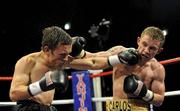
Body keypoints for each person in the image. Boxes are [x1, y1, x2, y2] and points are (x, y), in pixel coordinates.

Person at [69, 26, 166, 111]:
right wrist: (79, 52)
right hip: (115, 107)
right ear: (138, 40)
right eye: (144, 44)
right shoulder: (120, 52)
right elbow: (94, 58)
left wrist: (145, 93)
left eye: (152, 48)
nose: (146, 50)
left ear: (159, 51)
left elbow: (159, 100)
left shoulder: (157, 69)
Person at [9, 26, 86, 111]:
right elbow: (14, 94)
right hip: (28, 108)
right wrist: (41, 86)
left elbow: (94, 62)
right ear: (47, 49)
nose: (66, 59)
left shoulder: (59, 61)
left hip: (48, 108)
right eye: (62, 54)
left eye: (68, 54)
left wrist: (83, 54)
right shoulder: (28, 61)